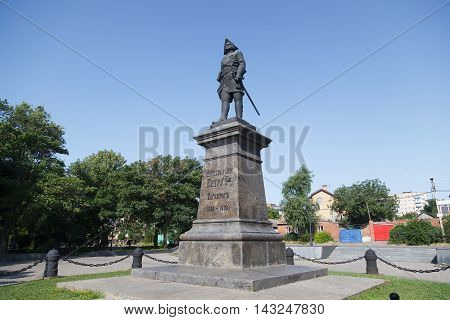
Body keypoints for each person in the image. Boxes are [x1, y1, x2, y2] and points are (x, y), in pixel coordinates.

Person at [215, 38, 246, 122]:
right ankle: (223, 117)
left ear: (233, 46)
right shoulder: (223, 58)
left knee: (237, 96)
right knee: (225, 98)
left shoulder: (237, 53)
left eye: (229, 44)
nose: (227, 46)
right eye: (226, 45)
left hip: (234, 77)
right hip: (224, 80)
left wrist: (239, 74)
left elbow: (242, 64)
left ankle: (239, 117)